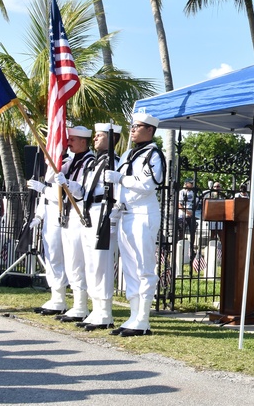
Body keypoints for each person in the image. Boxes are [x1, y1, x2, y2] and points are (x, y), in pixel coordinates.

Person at [104, 111, 165, 336]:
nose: (132, 130)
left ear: (149, 130)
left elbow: (147, 185)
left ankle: (143, 318)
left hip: (143, 214)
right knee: (129, 268)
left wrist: (120, 178)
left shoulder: (154, 154)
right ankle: (133, 314)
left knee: (143, 267)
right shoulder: (130, 153)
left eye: (137, 126)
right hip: (126, 214)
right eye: (131, 126)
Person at [27, 126, 94, 315]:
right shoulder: (66, 162)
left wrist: (43, 189)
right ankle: (58, 297)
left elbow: (68, 194)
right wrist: (39, 214)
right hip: (56, 214)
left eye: (71, 139)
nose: (67, 143)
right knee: (53, 256)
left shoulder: (87, 162)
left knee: (73, 260)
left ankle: (78, 303)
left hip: (70, 214)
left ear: (83, 141)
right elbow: (51, 188)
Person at [74, 122, 122, 331]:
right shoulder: (93, 163)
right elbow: (84, 192)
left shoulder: (116, 163)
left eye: (100, 136)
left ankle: (105, 312)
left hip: (104, 212)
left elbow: (119, 192)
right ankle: (96, 309)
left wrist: (113, 217)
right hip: (89, 213)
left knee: (101, 265)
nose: (95, 139)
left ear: (112, 139)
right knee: (91, 264)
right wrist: (69, 186)